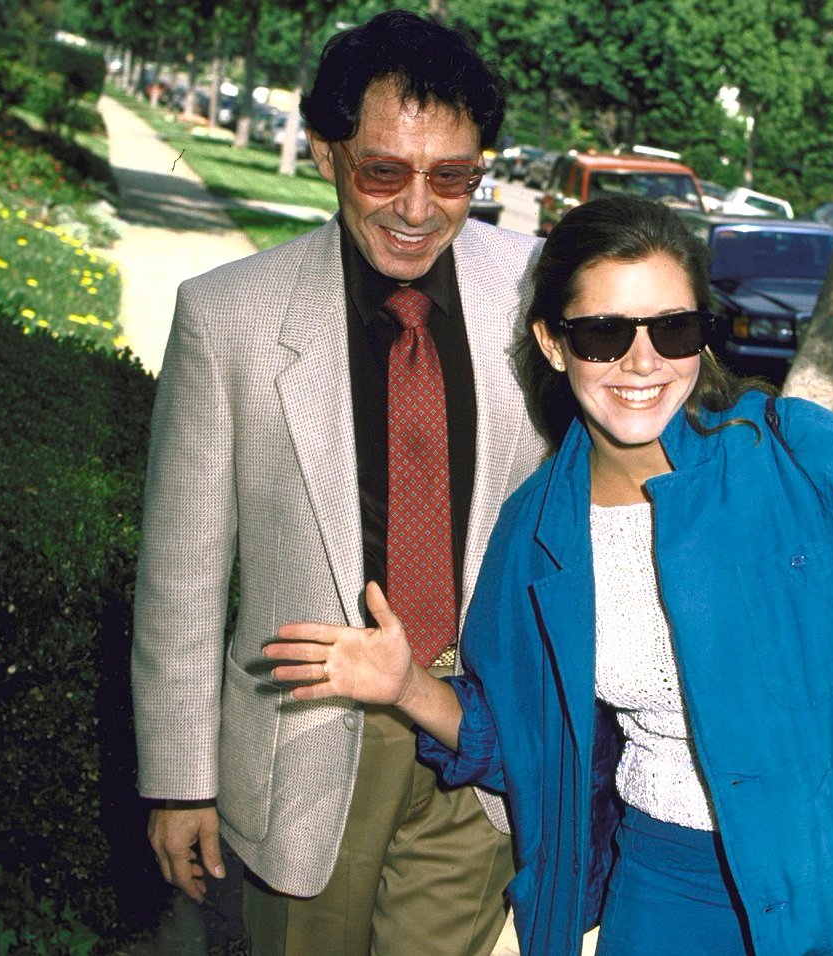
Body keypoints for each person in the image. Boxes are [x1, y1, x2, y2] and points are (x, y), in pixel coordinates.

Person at [265, 195, 833, 955]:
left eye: (673, 327)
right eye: (604, 332)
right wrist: (405, 686)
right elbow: (523, 733)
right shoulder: (536, 532)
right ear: (551, 341)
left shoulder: (800, 456)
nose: (642, 361)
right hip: (663, 895)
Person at [132, 10, 546, 954]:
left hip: (477, 743)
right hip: (308, 746)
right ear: (327, 153)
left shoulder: (538, 290)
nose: (418, 208)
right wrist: (180, 780)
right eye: (383, 171)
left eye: (452, 177)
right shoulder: (226, 317)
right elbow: (184, 574)